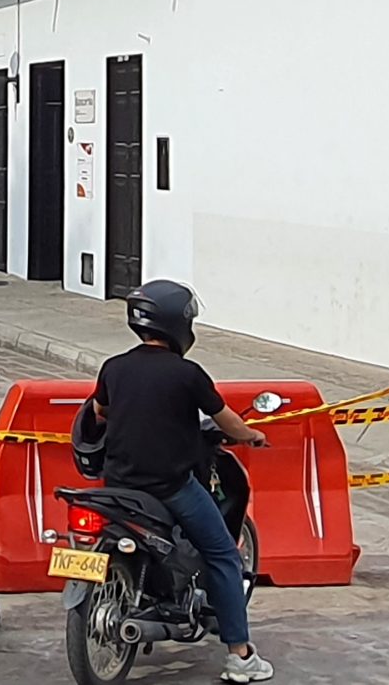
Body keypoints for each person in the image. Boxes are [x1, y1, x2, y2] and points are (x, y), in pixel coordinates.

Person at [86, 279, 273, 684]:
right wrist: (252, 436)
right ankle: (241, 657)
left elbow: (99, 412)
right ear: (178, 324)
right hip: (170, 487)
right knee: (223, 555)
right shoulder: (188, 374)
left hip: (118, 485)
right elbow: (227, 420)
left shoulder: (113, 368)